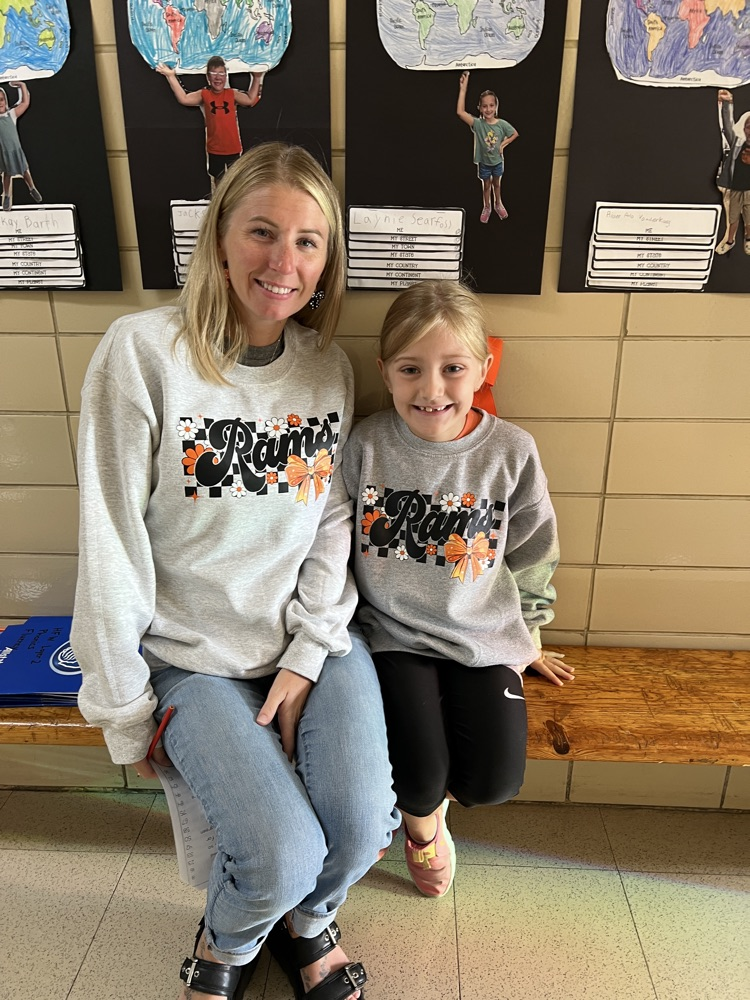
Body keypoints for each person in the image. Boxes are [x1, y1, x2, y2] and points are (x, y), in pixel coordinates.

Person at [71, 142, 398, 1000]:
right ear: (220, 238)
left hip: (311, 638)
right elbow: (107, 534)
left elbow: (332, 523)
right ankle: (227, 941)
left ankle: (303, 919)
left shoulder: (328, 369)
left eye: (308, 242)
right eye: (262, 231)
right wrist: (121, 708)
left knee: (364, 828)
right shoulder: (141, 352)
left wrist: (307, 650)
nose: (283, 261)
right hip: (191, 653)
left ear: (328, 263)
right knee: (281, 851)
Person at [342, 280, 572, 898]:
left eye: (452, 369)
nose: (432, 389)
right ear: (385, 370)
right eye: (411, 369)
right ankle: (420, 832)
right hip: (392, 636)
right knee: (416, 777)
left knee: (490, 784)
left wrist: (531, 635)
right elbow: (330, 549)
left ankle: (440, 805)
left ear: (483, 369)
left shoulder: (511, 452)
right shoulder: (364, 446)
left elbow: (532, 553)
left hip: (482, 634)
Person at [157, 56, 265, 192]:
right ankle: (219, 205)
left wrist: (256, 78)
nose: (218, 78)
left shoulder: (232, 94)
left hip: (233, 148)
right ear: (208, 77)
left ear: (226, 76)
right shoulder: (204, 94)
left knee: (235, 182)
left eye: (221, 74)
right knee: (218, 181)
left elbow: (250, 100)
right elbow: (184, 98)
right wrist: (171, 76)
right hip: (215, 149)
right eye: (214, 74)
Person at [457, 70, 518, 224]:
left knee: (497, 184)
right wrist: (463, 89)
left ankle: (498, 203)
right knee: (486, 186)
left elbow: (514, 134)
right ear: (480, 108)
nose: (488, 109)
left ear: (496, 106)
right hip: (484, 163)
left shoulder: (501, 124)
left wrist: (503, 145)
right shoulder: (478, 124)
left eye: (491, 105)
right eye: (485, 106)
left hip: (497, 162)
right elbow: (460, 112)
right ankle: (487, 206)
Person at [714, 88, 750, 256]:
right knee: (732, 218)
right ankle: (729, 240)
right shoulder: (736, 142)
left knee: (749, 219)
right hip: (735, 189)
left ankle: (748, 240)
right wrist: (727, 102)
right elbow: (728, 125)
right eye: (749, 127)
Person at [0, 81, 42, 212]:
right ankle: (6, 196)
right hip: (4, 152)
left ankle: (32, 188)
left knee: (24, 171)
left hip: (15, 151)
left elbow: (25, 103)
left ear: (5, 100)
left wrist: (22, 86)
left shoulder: (11, 115)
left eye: (1, 99)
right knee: (7, 174)